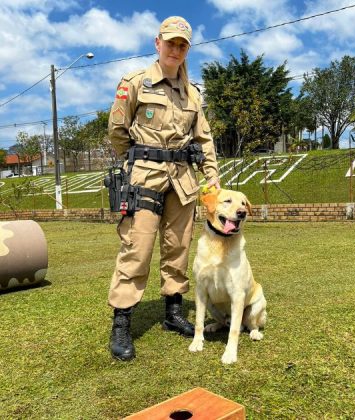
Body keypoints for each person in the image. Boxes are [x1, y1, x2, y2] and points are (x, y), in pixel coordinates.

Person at [106, 16, 220, 361]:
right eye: (170, 42)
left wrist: (210, 173)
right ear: (158, 43)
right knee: (136, 248)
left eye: (182, 45)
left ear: (187, 51)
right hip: (144, 178)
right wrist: (137, 161)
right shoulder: (136, 83)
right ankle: (122, 320)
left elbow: (204, 137)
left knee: (178, 248)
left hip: (183, 179)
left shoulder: (193, 94)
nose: (175, 49)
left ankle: (173, 312)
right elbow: (117, 130)